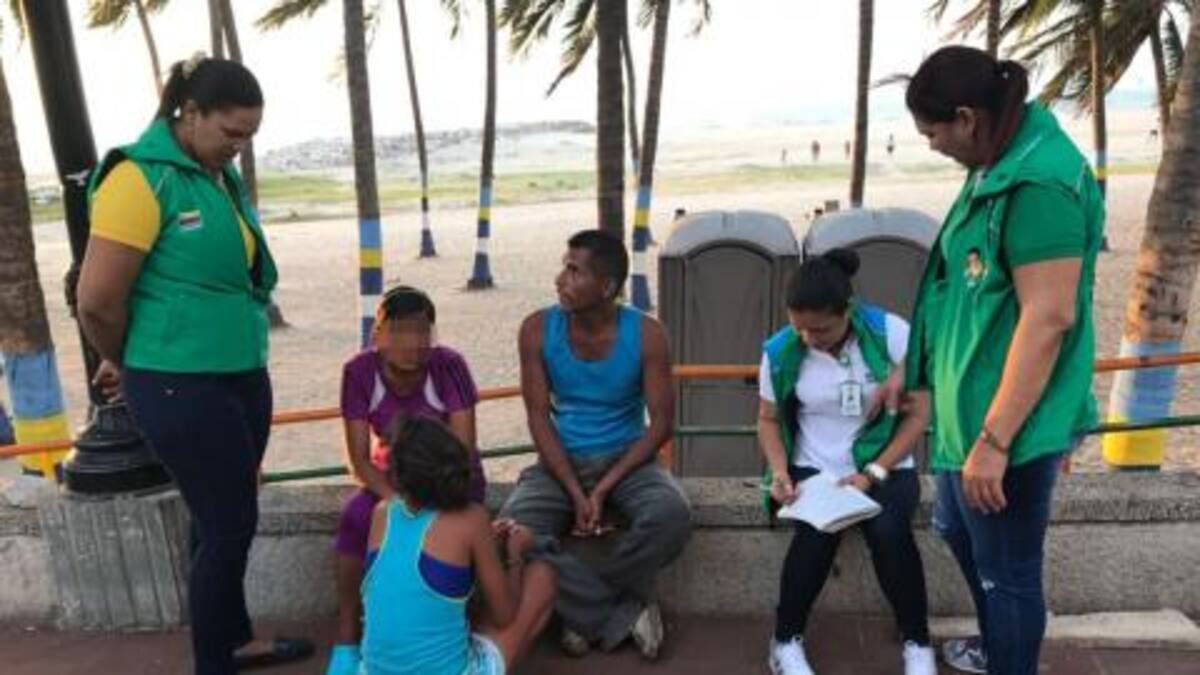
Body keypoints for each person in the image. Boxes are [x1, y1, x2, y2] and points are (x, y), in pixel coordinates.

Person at [76, 55, 313, 674]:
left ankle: (233, 640)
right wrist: (125, 360)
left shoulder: (215, 175)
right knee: (230, 523)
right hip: (178, 382)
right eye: (231, 132)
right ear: (190, 113)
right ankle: (214, 663)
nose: (239, 147)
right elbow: (96, 300)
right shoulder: (140, 179)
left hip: (239, 372)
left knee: (217, 516)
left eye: (250, 136)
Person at [903, 46, 1103, 675]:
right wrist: (914, 373)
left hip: (1006, 423)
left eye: (933, 133)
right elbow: (961, 293)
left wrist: (994, 442)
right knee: (956, 529)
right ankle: (998, 644)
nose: (933, 146)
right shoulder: (994, 161)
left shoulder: (1039, 182)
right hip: (965, 413)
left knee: (1007, 574)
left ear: (966, 118)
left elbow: (1049, 317)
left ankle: (1009, 656)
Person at [500, 230, 691, 660]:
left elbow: (661, 424)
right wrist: (574, 489)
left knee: (672, 516)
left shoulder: (647, 334)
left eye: (574, 271)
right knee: (509, 534)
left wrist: (603, 488)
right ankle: (622, 613)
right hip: (559, 461)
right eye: (563, 267)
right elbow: (538, 417)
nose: (560, 279)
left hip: (628, 460)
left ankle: (582, 613)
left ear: (606, 287)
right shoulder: (536, 329)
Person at [758, 250, 936, 675]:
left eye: (820, 329)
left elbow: (919, 414)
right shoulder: (781, 351)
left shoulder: (889, 333)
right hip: (814, 464)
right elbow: (767, 420)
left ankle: (917, 641)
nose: (809, 338)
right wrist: (780, 472)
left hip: (885, 461)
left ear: (848, 310)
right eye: (799, 327)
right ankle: (785, 640)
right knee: (816, 533)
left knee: (890, 531)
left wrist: (873, 473)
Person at [326, 286, 486, 674]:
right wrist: (398, 500)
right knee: (356, 517)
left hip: (451, 477)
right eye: (398, 331)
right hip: (394, 479)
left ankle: (455, 621)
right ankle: (348, 633)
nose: (411, 343)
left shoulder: (449, 366)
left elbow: (463, 449)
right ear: (377, 335)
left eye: (421, 331)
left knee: (459, 523)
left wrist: (433, 499)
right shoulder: (359, 372)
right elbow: (359, 460)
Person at [359, 415, 557, 674]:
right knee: (542, 577)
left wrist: (482, 543)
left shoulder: (382, 513)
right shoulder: (472, 519)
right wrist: (514, 553)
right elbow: (505, 615)